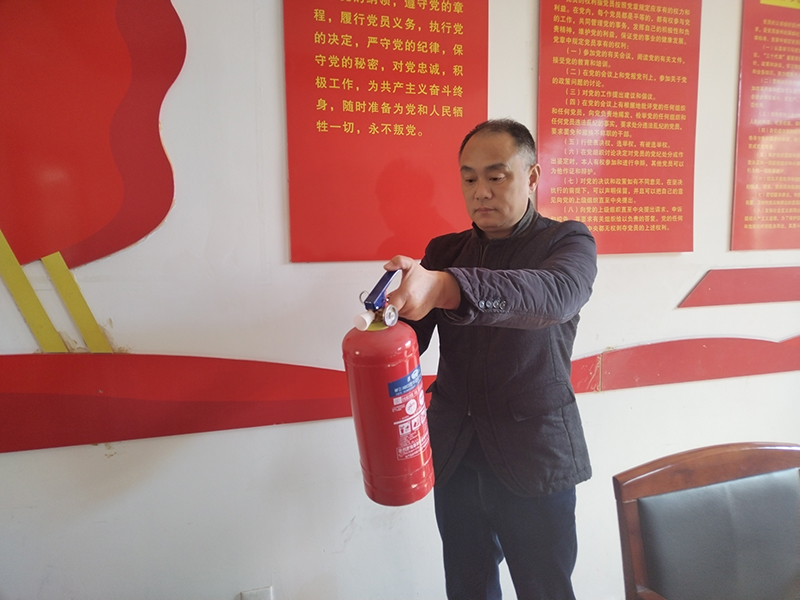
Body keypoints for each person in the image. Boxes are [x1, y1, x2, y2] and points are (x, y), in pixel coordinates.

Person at [384, 118, 597, 600]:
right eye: (469, 178)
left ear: (532, 176)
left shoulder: (567, 242)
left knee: (545, 590)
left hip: (533, 454)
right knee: (467, 587)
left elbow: (553, 296)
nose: (480, 191)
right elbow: (411, 339)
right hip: (456, 452)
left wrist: (446, 287)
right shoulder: (445, 250)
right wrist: (386, 321)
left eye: (496, 176)